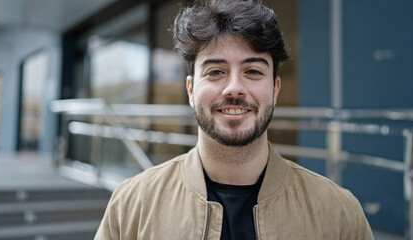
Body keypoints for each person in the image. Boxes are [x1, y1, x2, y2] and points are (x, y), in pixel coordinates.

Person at [95, 0, 373, 239]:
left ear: (275, 90)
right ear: (191, 90)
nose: (234, 88)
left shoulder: (339, 214)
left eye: (253, 71)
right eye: (215, 71)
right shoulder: (132, 205)